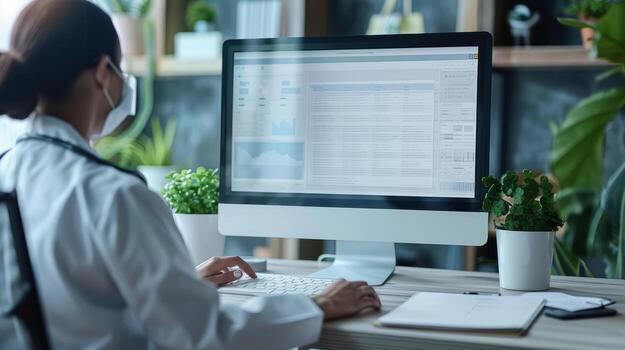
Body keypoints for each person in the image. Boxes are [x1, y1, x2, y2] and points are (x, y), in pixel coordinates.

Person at [0, 1, 381, 349]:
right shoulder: (115, 194)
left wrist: (177, 286)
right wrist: (314, 306)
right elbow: (206, 336)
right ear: (103, 73)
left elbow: (71, 307)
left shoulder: (7, 171)